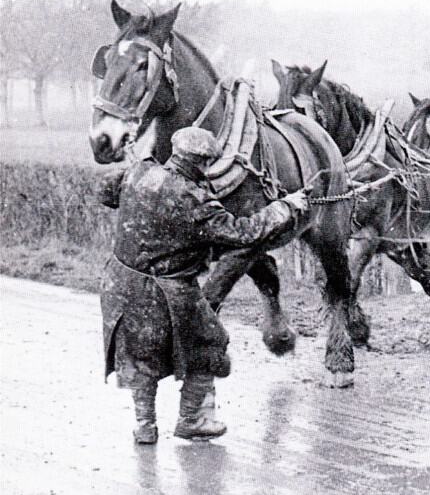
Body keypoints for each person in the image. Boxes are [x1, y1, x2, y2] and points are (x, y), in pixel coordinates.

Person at [99, 126, 310, 444]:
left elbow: (105, 192)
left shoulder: (140, 171)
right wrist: (286, 206)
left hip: (119, 282)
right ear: (204, 162)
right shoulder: (193, 199)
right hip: (167, 290)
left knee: (140, 353)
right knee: (210, 344)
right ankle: (192, 419)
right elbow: (245, 233)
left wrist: (134, 168)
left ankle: (145, 425)